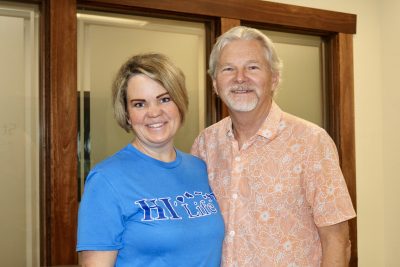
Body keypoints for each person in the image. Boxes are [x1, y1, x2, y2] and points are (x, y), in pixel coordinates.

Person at [191, 26, 356, 267]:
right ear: (215, 84)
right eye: (228, 69)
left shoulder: (311, 142)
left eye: (253, 67)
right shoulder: (205, 144)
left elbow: (337, 241)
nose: (240, 78)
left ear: (274, 79)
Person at [77, 53, 224, 267]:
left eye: (164, 99)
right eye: (139, 104)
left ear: (180, 104)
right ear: (127, 114)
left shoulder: (200, 169)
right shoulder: (106, 180)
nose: (154, 112)